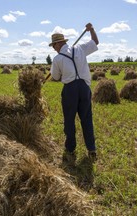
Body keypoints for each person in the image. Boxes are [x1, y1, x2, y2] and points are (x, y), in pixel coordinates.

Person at [49, 23, 99, 162]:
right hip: (84, 88)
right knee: (87, 119)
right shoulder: (80, 49)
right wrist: (92, 30)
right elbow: (95, 41)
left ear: (58, 44)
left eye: (53, 46)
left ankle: (70, 149)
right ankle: (91, 149)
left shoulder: (57, 59)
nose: (54, 49)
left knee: (69, 120)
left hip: (70, 90)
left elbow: (55, 77)